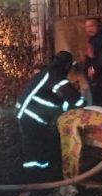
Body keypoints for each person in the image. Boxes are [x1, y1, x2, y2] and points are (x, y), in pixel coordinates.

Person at [15, 51, 85, 181]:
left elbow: (58, 100)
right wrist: (83, 104)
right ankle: (34, 182)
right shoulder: (54, 74)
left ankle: (42, 179)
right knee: (34, 149)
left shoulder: (49, 72)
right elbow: (69, 94)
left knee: (41, 147)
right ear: (67, 65)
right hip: (29, 116)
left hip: (33, 117)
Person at [83, 17, 102, 107]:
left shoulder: (101, 38)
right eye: (87, 27)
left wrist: (93, 68)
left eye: (91, 26)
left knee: (100, 101)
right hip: (97, 75)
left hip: (100, 76)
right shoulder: (94, 38)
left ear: (98, 26)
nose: (89, 29)